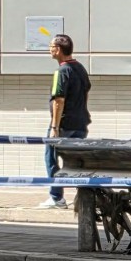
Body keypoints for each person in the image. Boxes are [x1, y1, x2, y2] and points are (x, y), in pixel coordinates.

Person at [40, 34, 91, 209]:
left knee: (51, 158)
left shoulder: (61, 72)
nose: (49, 49)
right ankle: (84, 198)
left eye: (51, 46)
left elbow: (58, 100)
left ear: (58, 49)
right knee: (77, 161)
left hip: (64, 125)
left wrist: (55, 126)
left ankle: (56, 197)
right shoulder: (81, 68)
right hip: (81, 124)